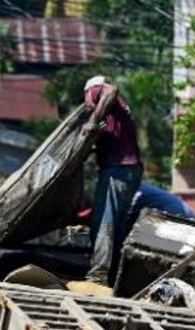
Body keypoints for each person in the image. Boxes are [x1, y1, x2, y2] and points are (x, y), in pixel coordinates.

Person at [81, 75, 143, 286]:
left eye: (86, 101)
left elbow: (111, 89)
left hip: (118, 169)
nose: (87, 106)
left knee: (103, 222)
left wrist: (90, 121)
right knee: (115, 227)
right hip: (130, 171)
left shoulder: (97, 90)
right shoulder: (116, 114)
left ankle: (97, 278)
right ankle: (115, 277)